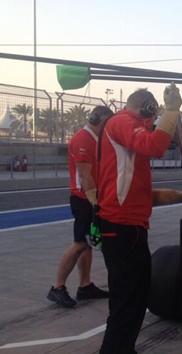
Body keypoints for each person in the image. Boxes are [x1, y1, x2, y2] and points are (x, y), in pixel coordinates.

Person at [81, 85, 182, 354]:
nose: (153, 122)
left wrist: (179, 196)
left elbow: (143, 195)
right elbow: (156, 145)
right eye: (154, 114)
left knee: (135, 304)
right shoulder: (122, 121)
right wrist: (172, 112)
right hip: (120, 229)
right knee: (124, 308)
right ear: (146, 107)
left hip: (131, 229)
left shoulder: (130, 148)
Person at [47, 105, 114, 308]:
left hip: (91, 198)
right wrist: (94, 201)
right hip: (84, 198)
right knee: (79, 243)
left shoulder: (94, 138)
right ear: (99, 120)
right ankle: (57, 287)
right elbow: (84, 174)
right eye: (107, 123)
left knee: (87, 242)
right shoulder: (83, 139)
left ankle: (85, 285)